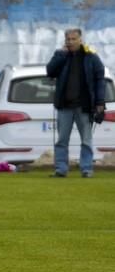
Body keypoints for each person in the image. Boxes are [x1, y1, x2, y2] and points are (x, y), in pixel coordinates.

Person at [46, 28, 105, 178]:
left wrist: (100, 101)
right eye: (68, 39)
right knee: (61, 140)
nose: (70, 42)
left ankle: (86, 169)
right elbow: (50, 71)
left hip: (84, 106)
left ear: (80, 40)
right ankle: (61, 169)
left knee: (86, 140)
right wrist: (61, 55)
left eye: (73, 39)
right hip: (65, 105)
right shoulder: (61, 55)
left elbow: (100, 79)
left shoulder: (91, 57)